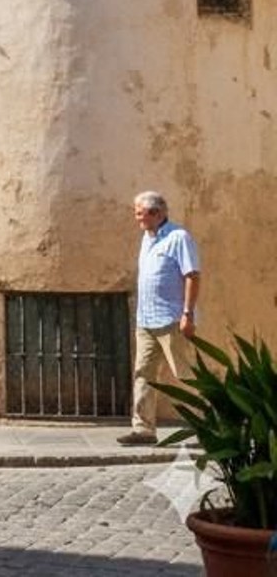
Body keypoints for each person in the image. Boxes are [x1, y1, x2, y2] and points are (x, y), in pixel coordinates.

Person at [117, 188, 201, 445]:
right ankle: (143, 429)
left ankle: (213, 423)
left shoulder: (178, 237)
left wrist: (187, 313)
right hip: (146, 321)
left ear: (156, 213)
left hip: (171, 319)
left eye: (140, 214)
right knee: (143, 373)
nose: (137, 218)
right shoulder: (147, 238)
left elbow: (192, 276)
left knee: (184, 373)